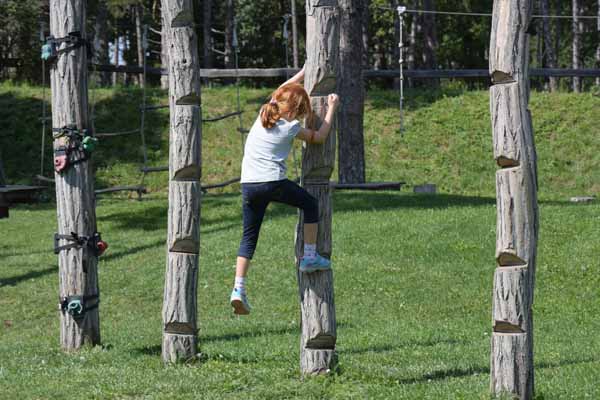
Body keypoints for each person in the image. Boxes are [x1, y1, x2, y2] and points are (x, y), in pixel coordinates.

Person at [230, 67, 340, 315]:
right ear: (292, 112)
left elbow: (282, 89)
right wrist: (332, 107)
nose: (299, 118)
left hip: (248, 185)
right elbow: (320, 137)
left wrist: (302, 73)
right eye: (299, 113)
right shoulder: (289, 128)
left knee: (249, 238)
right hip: (271, 183)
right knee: (311, 204)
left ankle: (238, 288)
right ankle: (310, 257)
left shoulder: (263, 113)